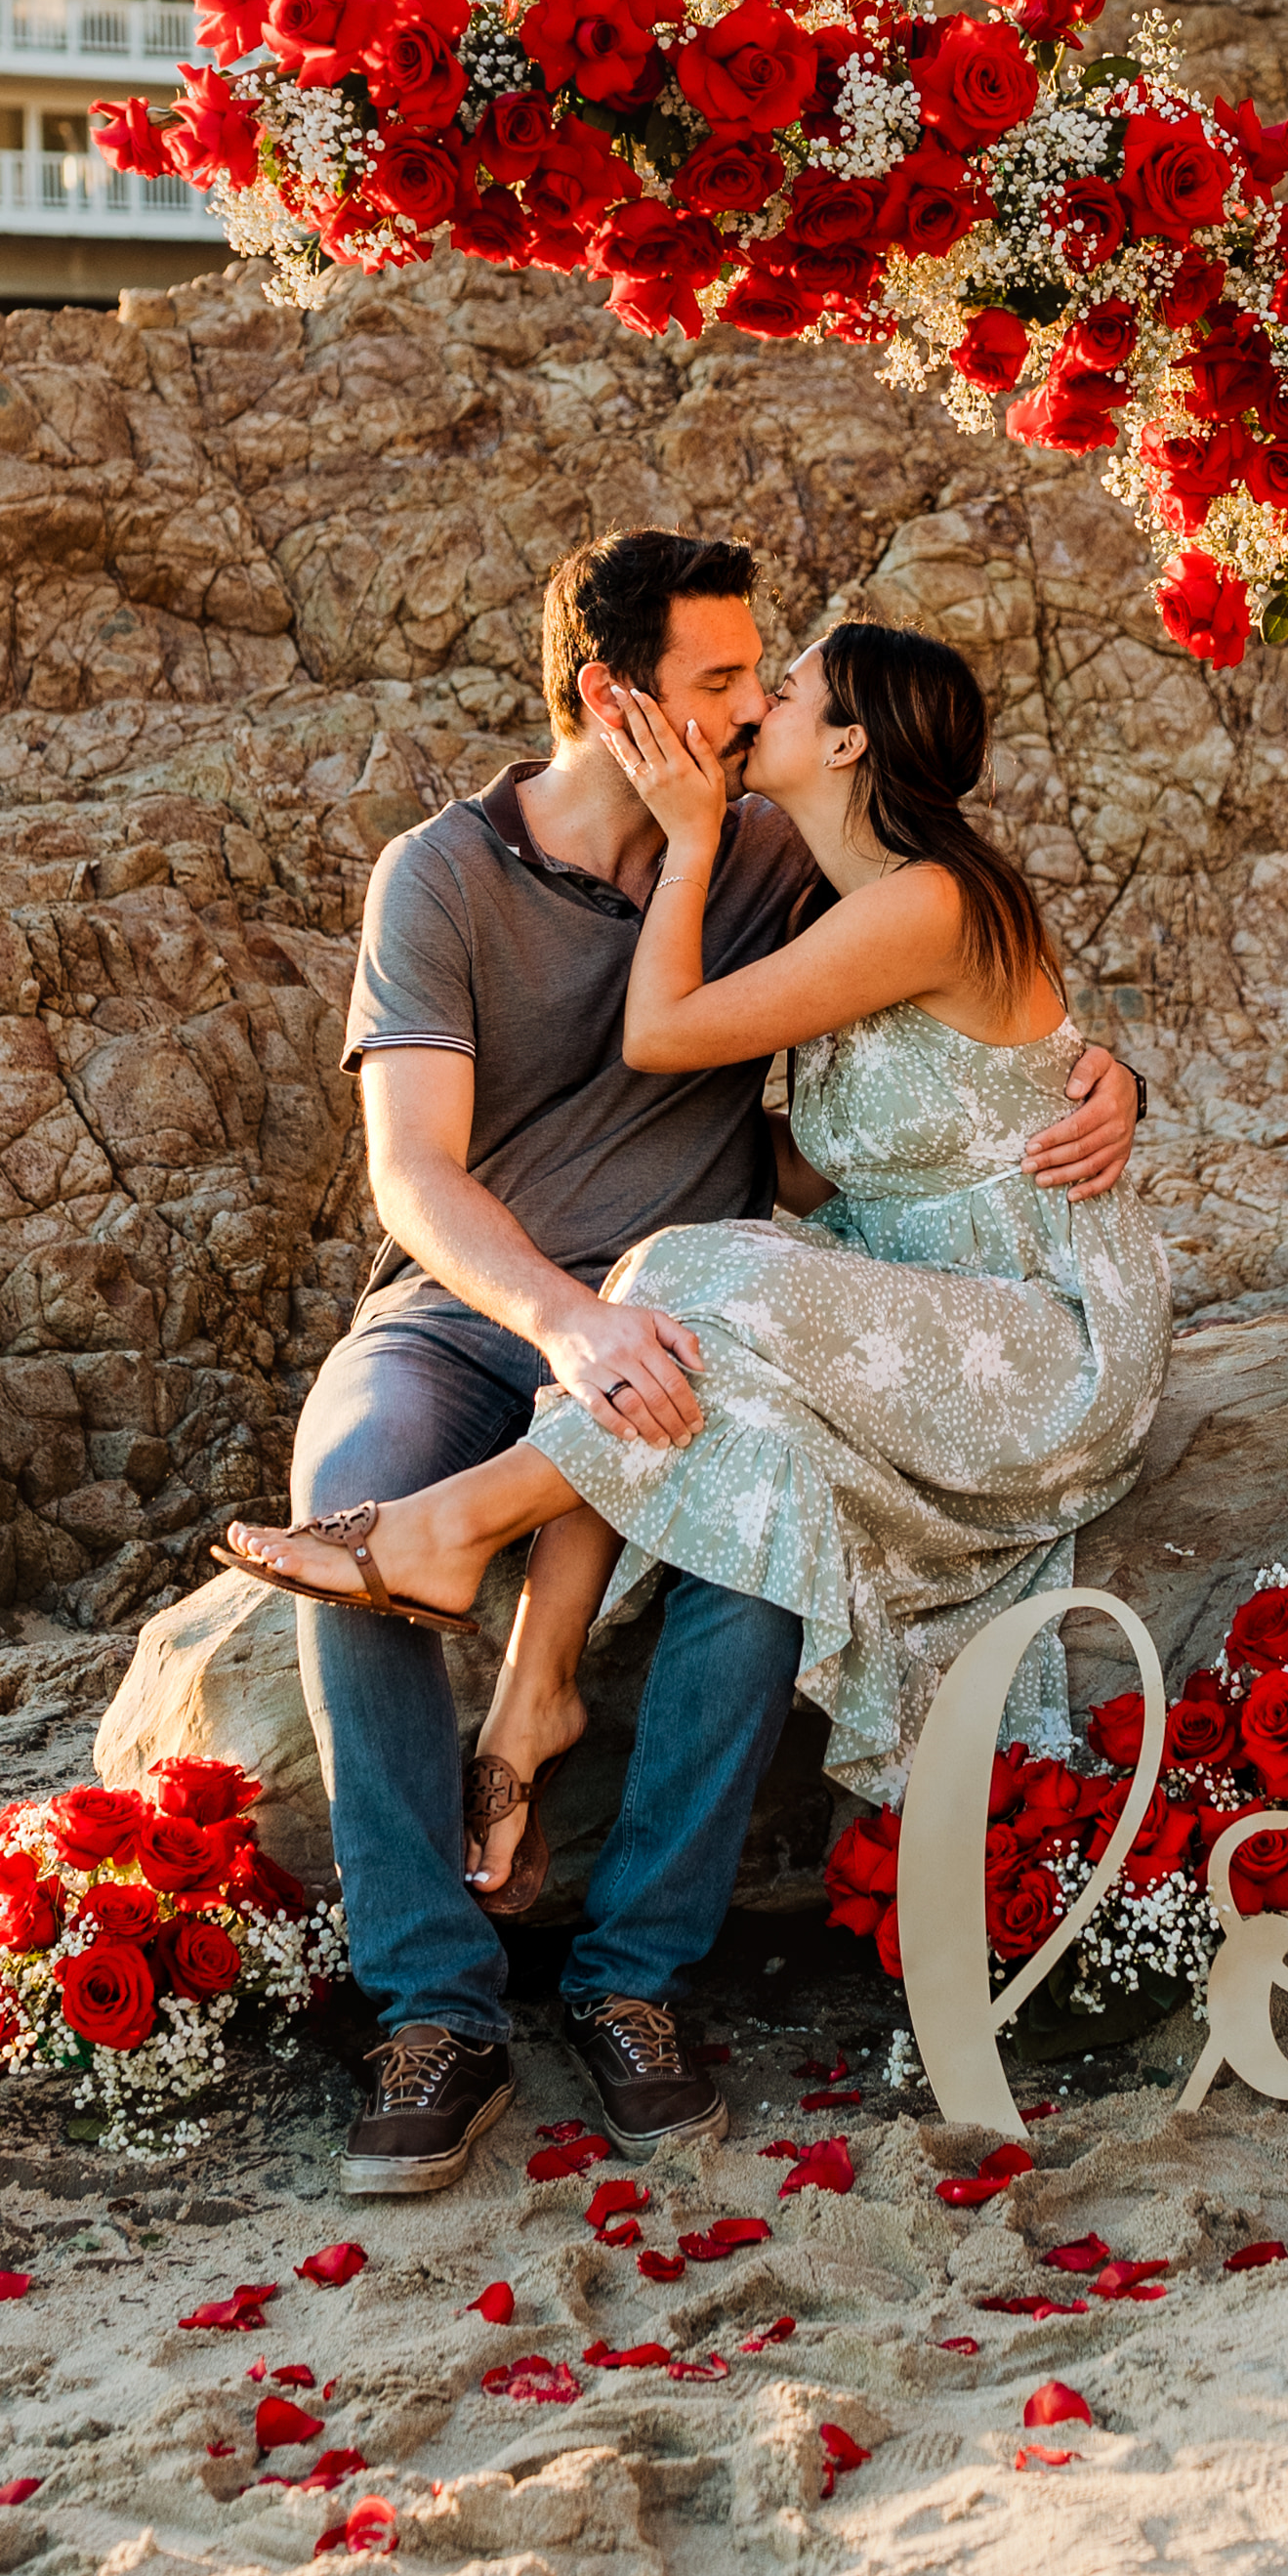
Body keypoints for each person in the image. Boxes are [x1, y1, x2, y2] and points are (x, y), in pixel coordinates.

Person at [229, 528, 1142, 2195]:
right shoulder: (440, 877)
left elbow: (959, 976)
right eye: (720, 682)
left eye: (758, 682)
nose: (746, 709)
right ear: (610, 694)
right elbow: (414, 1174)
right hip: (485, 1313)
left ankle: (634, 1977)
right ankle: (433, 2007)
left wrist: (1096, 1078)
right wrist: (561, 1319)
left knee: (768, 1534)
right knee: (351, 1498)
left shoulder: (777, 850)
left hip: (707, 1322)